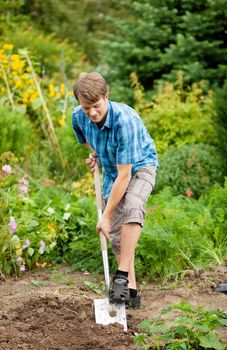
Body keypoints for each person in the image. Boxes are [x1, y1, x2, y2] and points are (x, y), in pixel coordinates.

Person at [72, 72, 159, 309]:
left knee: (133, 206)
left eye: (96, 106)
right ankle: (131, 291)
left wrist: (106, 216)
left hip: (140, 166)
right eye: (86, 107)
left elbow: (125, 175)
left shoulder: (125, 120)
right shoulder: (78, 117)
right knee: (118, 239)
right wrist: (98, 154)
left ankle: (120, 276)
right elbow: (86, 140)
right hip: (112, 170)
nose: (91, 113)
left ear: (106, 97)